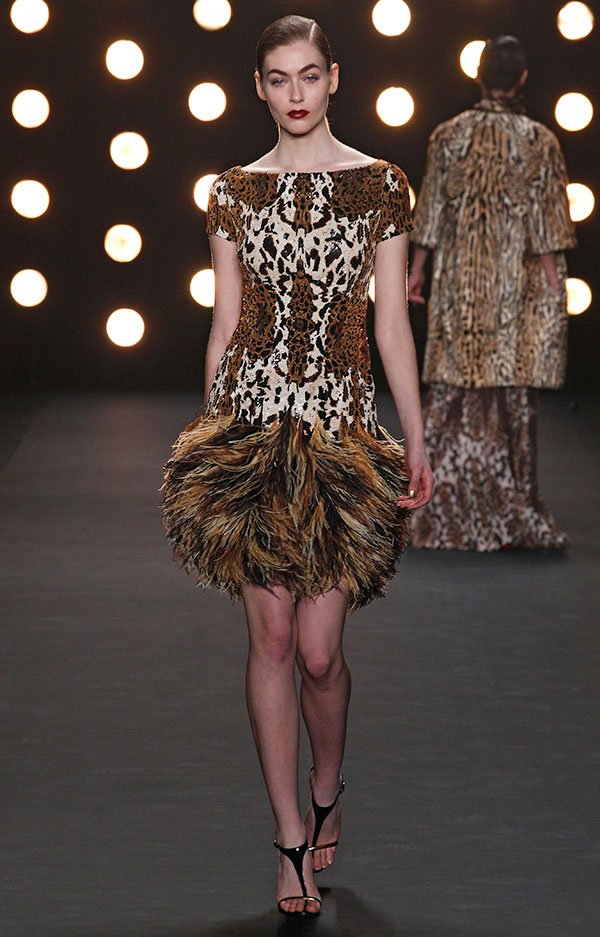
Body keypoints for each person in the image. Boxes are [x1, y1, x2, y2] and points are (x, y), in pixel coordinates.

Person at [163, 14, 432, 917]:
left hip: (342, 435)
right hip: (251, 432)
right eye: (278, 78)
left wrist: (415, 437)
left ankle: (327, 784)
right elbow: (224, 324)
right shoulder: (234, 191)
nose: (296, 94)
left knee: (321, 654)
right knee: (272, 641)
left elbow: (391, 324)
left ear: (334, 77)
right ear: (260, 87)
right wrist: (210, 440)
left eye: (309, 75)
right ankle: (287, 838)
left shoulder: (379, 186)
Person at [408, 35, 576, 551]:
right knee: (510, 392)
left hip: (459, 283)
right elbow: (549, 223)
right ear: (521, 78)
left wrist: (417, 271)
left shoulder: (448, 135)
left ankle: (433, 511)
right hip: (513, 288)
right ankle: (509, 514)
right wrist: (553, 286)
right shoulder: (539, 140)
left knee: (451, 392)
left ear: (479, 75)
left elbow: (430, 211)